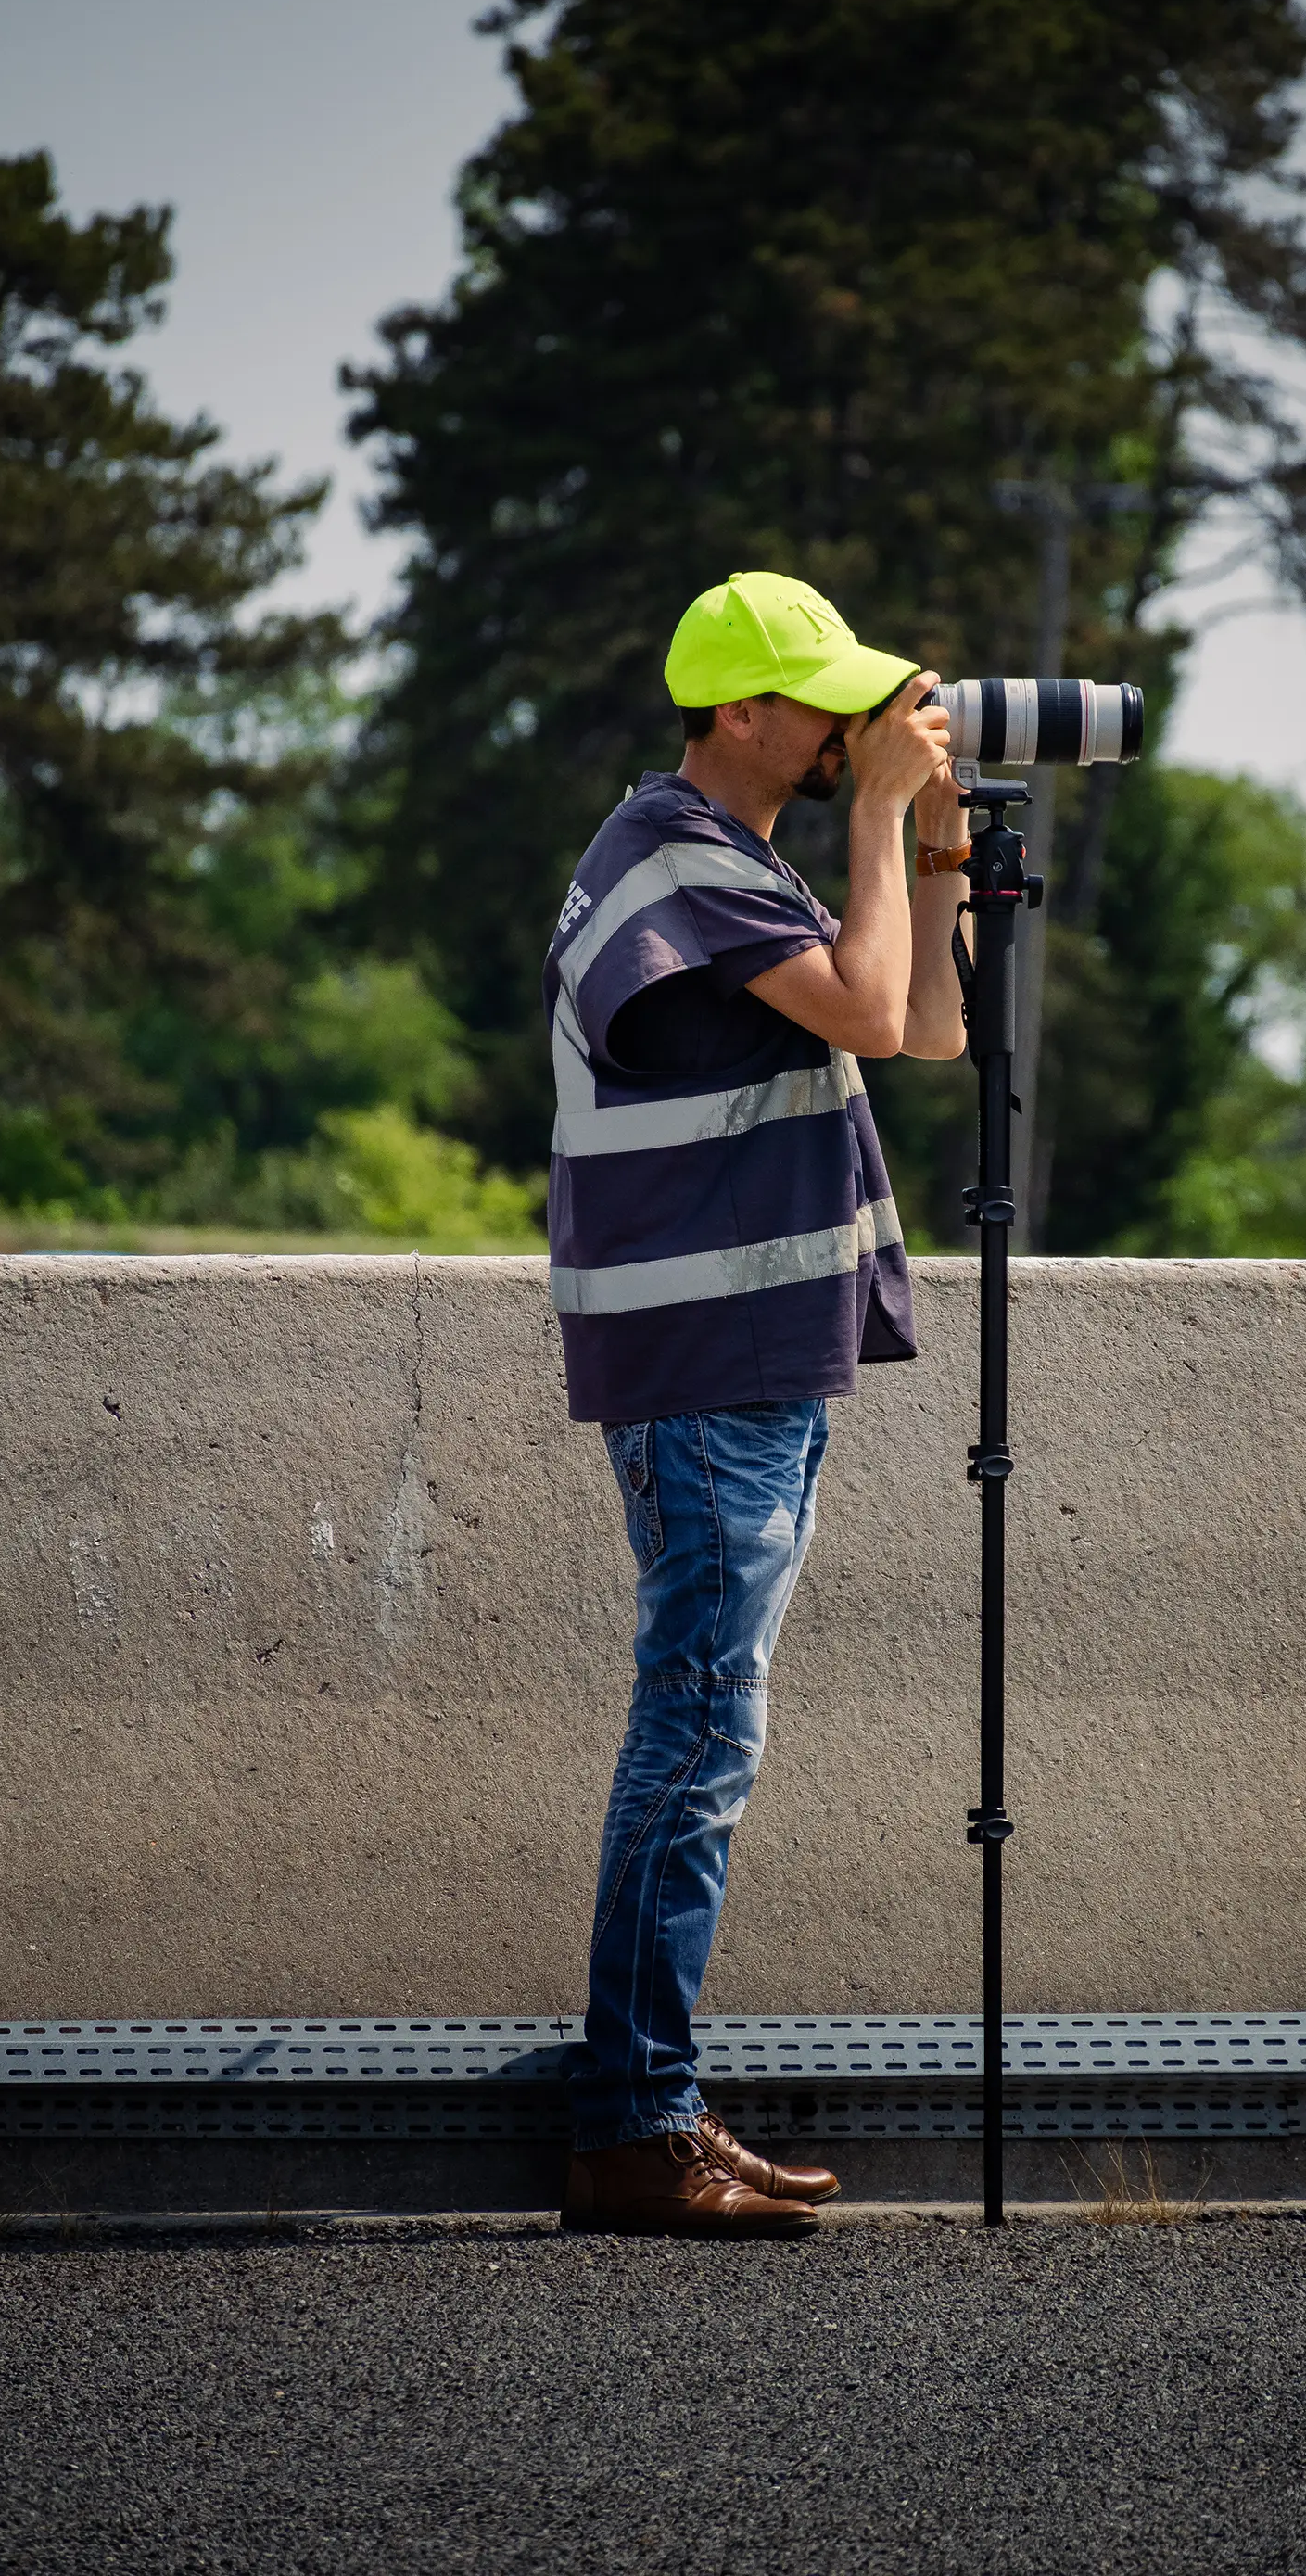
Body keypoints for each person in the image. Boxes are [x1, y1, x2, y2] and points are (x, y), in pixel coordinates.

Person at [546, 570, 970, 2236]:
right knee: (698, 1730)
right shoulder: (673, 857)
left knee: (707, 1723)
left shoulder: (743, 864)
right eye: (828, 707)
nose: (855, 727)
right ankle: (635, 2127)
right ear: (739, 712)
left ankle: (650, 2113)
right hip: (708, 1363)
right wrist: (878, 812)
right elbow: (872, 1012)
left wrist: (926, 852)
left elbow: (920, 1025)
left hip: (749, 1353)